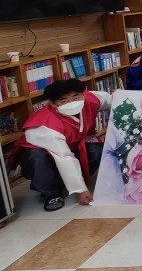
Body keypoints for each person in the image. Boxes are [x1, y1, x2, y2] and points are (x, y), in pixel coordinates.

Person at [8, 79, 110, 211]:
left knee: (96, 150)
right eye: (64, 101)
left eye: (76, 97)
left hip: (72, 145)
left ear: (83, 94)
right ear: (52, 103)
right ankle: (52, 192)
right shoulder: (44, 123)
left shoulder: (90, 99)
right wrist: (81, 190)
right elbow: (64, 156)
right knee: (37, 158)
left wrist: (120, 96)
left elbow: (109, 100)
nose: (72, 103)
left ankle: (71, 180)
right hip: (41, 151)